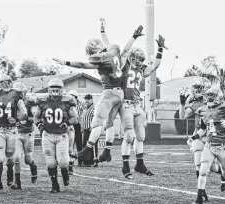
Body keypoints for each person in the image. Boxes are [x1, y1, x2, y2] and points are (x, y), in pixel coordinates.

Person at [53, 22, 144, 162]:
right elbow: (124, 49)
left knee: (97, 122)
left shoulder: (101, 59)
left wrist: (65, 62)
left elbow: (83, 65)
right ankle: (107, 151)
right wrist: (133, 36)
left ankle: (87, 150)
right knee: (109, 123)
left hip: (109, 92)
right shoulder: (113, 52)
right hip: (120, 94)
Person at [96, 22, 165, 179]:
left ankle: (139, 164)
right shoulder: (123, 66)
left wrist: (160, 49)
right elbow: (124, 50)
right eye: (135, 57)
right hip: (125, 104)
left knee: (141, 136)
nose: (137, 60)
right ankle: (125, 166)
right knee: (129, 137)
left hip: (137, 104)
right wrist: (134, 36)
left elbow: (155, 65)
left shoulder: (141, 69)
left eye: (139, 58)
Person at [188, 87, 225, 204]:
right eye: (209, 96)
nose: (210, 98)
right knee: (203, 170)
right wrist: (193, 137)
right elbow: (203, 130)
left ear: (218, 97)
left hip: (223, 146)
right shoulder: (203, 110)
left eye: (212, 96)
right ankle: (199, 198)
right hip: (209, 145)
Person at [0, 74, 28, 191]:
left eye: (8, 82)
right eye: (3, 82)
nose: (6, 84)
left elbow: (24, 112)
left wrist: (17, 119)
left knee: (10, 156)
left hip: (11, 129)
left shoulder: (16, 94)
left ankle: (9, 172)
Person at [179, 77, 221, 201]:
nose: (196, 90)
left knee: (212, 168)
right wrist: (182, 103)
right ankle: (201, 193)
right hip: (199, 133)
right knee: (198, 164)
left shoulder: (215, 101)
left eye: (199, 88)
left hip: (211, 135)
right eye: (196, 88)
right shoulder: (195, 102)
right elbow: (182, 116)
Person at [33, 78, 78, 193]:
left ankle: (64, 173)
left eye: (57, 88)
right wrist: (38, 124)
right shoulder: (42, 101)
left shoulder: (67, 101)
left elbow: (75, 119)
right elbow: (36, 117)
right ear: (49, 89)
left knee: (63, 162)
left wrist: (66, 123)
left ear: (61, 89)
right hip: (47, 134)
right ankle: (54, 185)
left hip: (61, 135)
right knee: (50, 161)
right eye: (53, 88)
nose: (55, 90)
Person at [10, 82, 38, 190]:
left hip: (28, 133)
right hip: (16, 132)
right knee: (16, 157)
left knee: (27, 159)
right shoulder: (10, 101)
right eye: (16, 92)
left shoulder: (29, 102)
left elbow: (34, 119)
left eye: (20, 92)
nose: (18, 94)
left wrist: (25, 118)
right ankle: (17, 181)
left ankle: (33, 166)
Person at [68, 90, 85, 166]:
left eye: (72, 95)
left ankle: (80, 161)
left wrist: (82, 125)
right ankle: (69, 160)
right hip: (71, 124)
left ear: (76, 96)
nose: (71, 97)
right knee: (70, 143)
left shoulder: (81, 104)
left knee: (79, 143)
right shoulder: (68, 104)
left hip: (78, 125)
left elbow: (83, 115)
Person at [80, 94, 98, 166]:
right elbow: (83, 118)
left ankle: (94, 161)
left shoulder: (94, 108)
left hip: (92, 129)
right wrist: (82, 127)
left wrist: (94, 127)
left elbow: (96, 118)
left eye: (88, 99)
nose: (86, 100)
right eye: (85, 99)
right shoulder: (84, 108)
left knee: (93, 145)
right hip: (85, 129)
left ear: (91, 100)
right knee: (85, 145)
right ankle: (86, 161)